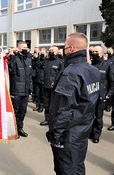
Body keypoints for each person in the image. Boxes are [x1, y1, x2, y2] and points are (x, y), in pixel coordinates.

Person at [46, 33, 100, 175]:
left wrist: (56, 134)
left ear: (70, 49)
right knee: (78, 166)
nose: (63, 50)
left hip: (68, 134)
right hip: (83, 129)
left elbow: (63, 109)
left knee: (66, 169)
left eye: (64, 47)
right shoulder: (93, 70)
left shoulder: (70, 73)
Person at [89, 46, 114, 143]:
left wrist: (109, 94)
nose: (94, 53)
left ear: (101, 53)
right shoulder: (90, 64)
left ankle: (96, 135)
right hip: (90, 95)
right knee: (89, 116)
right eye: (93, 51)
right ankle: (90, 132)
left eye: (96, 51)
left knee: (98, 117)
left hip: (101, 95)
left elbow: (112, 82)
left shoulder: (107, 65)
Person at [8, 41, 32, 137]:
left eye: (26, 47)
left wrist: (31, 88)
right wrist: (12, 56)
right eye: (22, 47)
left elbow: (30, 76)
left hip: (26, 90)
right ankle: (13, 130)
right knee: (15, 111)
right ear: (18, 48)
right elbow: (10, 70)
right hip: (16, 90)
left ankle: (20, 128)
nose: (25, 49)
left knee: (23, 111)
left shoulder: (29, 59)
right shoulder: (14, 58)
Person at [40, 45, 64, 126]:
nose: (51, 52)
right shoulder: (46, 61)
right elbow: (38, 67)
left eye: (52, 50)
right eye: (50, 50)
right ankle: (47, 119)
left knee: (54, 106)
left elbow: (62, 75)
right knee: (46, 104)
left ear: (57, 52)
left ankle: (54, 121)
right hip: (46, 86)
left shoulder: (60, 62)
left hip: (55, 88)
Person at [33, 48, 47, 113]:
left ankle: (41, 106)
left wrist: (42, 57)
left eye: (43, 53)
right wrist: (36, 59)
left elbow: (42, 64)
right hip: (37, 78)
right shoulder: (37, 59)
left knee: (42, 94)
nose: (41, 54)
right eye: (40, 52)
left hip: (43, 79)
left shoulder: (46, 60)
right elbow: (35, 66)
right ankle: (37, 105)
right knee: (37, 93)